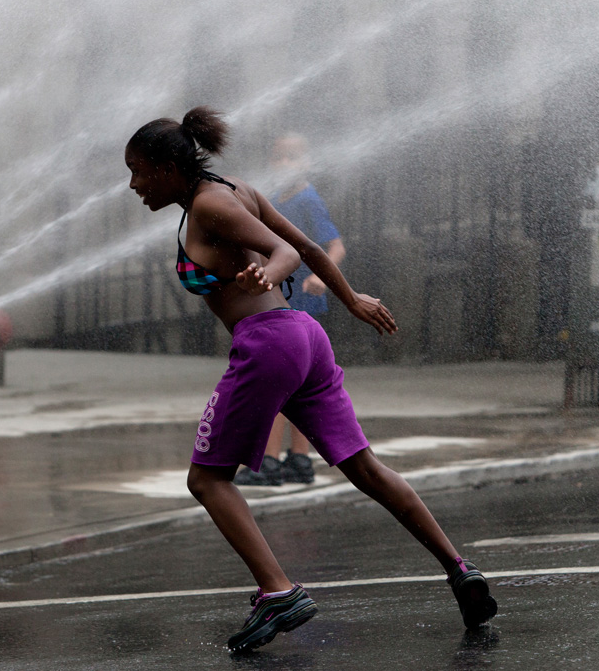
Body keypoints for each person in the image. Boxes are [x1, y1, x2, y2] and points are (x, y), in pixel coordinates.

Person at [125, 107, 497, 652]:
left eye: (138, 171)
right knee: (365, 468)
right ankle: (459, 569)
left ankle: (278, 592)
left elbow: (287, 253)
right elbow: (312, 249)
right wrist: (352, 299)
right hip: (305, 338)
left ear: (166, 167)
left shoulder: (210, 204)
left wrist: (268, 274)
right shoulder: (238, 189)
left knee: (206, 480)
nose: (133, 185)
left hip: (267, 344)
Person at [235, 132, 345, 486]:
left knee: (275, 383)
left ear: (308, 162)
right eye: (278, 156)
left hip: (299, 304)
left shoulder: (308, 199)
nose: (284, 163)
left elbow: (336, 246)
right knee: (298, 386)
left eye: (292, 156)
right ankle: (299, 460)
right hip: (281, 300)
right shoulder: (274, 200)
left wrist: (320, 277)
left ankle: (267, 463)